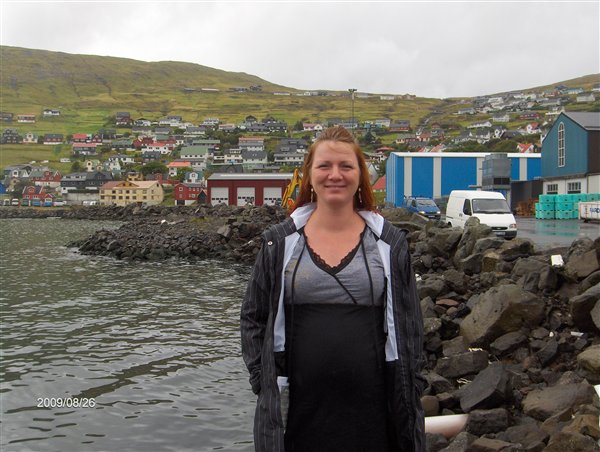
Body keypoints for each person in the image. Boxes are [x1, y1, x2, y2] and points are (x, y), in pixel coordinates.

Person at [241, 126, 425, 452]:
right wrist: (262, 379)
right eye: (324, 166)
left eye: (346, 166)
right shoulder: (278, 243)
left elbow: (411, 324)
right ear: (309, 175)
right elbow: (253, 317)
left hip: (373, 414)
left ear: (360, 175)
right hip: (296, 415)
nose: (335, 175)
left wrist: (412, 385)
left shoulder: (390, 243)